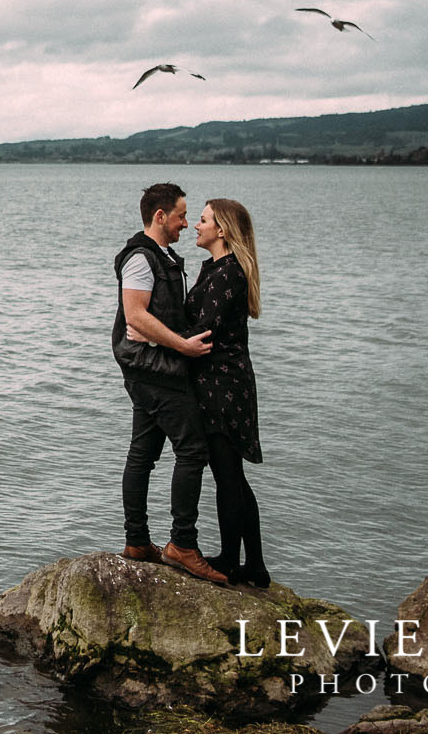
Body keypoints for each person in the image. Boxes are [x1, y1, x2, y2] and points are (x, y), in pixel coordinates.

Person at [112, 182, 225, 583]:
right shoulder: (142, 258)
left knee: (142, 452)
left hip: (150, 367)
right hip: (155, 370)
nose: (185, 223)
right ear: (159, 216)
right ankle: (182, 544)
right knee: (193, 450)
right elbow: (135, 316)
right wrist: (184, 347)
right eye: (180, 214)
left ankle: (137, 541)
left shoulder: (163, 257)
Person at [186, 197, 268, 587]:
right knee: (231, 476)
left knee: (227, 475)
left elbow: (203, 328)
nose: (196, 226)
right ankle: (253, 565)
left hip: (223, 385)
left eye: (202, 221)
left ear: (222, 230)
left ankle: (235, 560)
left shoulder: (227, 273)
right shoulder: (221, 268)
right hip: (225, 382)